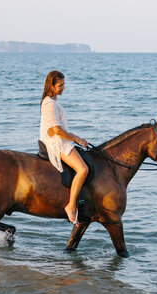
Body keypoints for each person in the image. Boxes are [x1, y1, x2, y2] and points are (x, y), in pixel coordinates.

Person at [40, 70, 88, 224]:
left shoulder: (53, 102)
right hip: (57, 143)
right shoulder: (49, 103)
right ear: (51, 86)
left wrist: (78, 138)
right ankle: (71, 205)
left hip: (62, 140)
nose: (63, 88)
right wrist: (76, 138)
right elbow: (56, 130)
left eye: (64, 84)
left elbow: (61, 129)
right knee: (83, 169)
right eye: (60, 85)